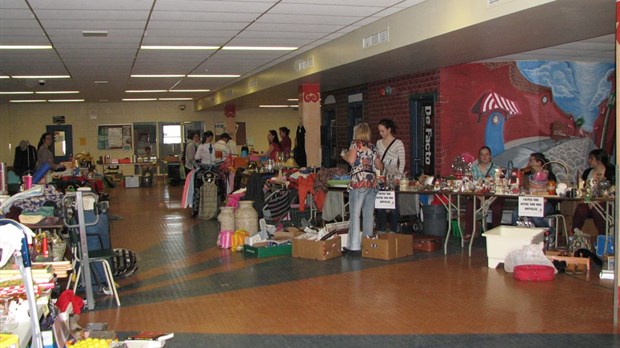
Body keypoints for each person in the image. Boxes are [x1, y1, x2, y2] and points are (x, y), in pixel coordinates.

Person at [341, 123, 384, 256]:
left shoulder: (355, 144)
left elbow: (352, 161)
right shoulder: (373, 147)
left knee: (355, 214)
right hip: (372, 182)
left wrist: (345, 156)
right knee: (368, 214)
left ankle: (354, 247)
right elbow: (380, 166)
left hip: (358, 182)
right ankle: (368, 245)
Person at [463, 146, 505, 240]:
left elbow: (499, 186)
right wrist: (480, 197)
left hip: (494, 196)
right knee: (470, 204)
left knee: (497, 207)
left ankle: (495, 232)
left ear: (490, 156)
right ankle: (468, 232)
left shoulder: (496, 169)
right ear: (479, 156)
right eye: (482, 154)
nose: (484, 157)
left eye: (487, 154)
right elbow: (471, 185)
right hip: (477, 195)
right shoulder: (473, 169)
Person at [572, 149, 615, 236]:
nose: (589, 161)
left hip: (606, 202)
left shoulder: (611, 171)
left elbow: (611, 190)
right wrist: (587, 200)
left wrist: (596, 200)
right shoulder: (588, 172)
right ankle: (575, 232)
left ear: (599, 160)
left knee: (596, 208)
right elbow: (585, 189)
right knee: (581, 207)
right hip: (589, 200)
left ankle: (603, 236)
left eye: (592, 159)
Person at [375, 119, 406, 232]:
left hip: (393, 176)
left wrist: (398, 177)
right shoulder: (378, 143)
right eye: (379, 131)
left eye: (382, 131)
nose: (381, 133)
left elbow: (402, 162)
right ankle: (381, 229)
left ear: (389, 130)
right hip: (382, 175)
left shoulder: (398, 143)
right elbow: (377, 160)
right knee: (380, 204)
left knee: (393, 205)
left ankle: (394, 230)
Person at [511, 152, 557, 227]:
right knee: (515, 213)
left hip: (545, 203)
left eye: (531, 161)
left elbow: (552, 191)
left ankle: (550, 232)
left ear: (539, 162)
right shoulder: (527, 173)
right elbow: (522, 187)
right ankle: (516, 235)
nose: (529, 163)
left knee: (536, 217)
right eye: (529, 161)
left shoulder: (549, 175)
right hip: (529, 202)